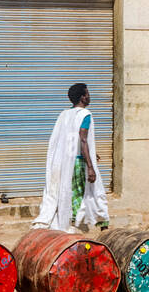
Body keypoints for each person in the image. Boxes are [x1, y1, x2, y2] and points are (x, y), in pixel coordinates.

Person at [32, 82, 109, 233]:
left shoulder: (64, 114)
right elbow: (82, 138)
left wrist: (93, 154)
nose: (89, 97)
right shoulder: (85, 115)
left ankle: (97, 225)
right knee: (89, 193)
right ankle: (94, 228)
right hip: (79, 164)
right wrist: (91, 167)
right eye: (87, 94)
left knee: (76, 194)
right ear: (82, 98)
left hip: (65, 162)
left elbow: (69, 139)